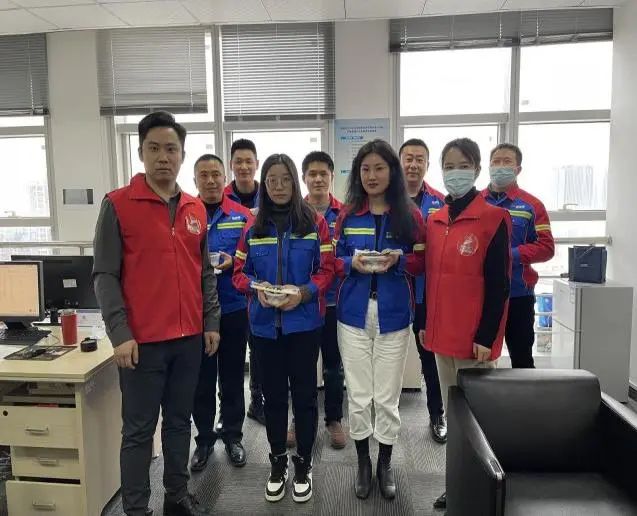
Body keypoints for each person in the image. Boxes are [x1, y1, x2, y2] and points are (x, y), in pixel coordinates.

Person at [93, 111, 220, 516]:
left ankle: (176, 496)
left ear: (182, 155)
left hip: (188, 339)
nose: (163, 157)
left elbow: (204, 272)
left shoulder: (195, 208)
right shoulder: (118, 204)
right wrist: (120, 333)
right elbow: (105, 275)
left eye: (171, 149)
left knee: (180, 422)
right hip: (141, 343)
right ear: (141, 153)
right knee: (139, 432)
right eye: (154, 149)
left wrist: (211, 321)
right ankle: (136, 509)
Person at [232, 153, 334, 503]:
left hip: (304, 325)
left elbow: (328, 270)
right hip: (263, 328)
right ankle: (277, 462)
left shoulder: (314, 223)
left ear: (294, 181)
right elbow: (238, 273)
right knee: (273, 398)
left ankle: (303, 462)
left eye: (285, 179)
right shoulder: (252, 225)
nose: (278, 186)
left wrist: (304, 293)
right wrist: (255, 289)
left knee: (305, 398)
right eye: (271, 180)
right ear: (265, 184)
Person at [422, 138, 511, 511]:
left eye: (462, 165)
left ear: (476, 169)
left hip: (474, 340)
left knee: (479, 420)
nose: (454, 173)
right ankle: (455, 484)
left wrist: (487, 336)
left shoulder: (493, 218)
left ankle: (484, 489)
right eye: (448, 166)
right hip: (441, 335)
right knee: (454, 417)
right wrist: (425, 324)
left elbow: (499, 284)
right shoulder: (435, 219)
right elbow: (429, 278)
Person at [334, 139, 426, 500]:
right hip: (352, 315)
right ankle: (362, 461)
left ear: (393, 172)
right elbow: (332, 260)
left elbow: (422, 261)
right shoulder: (347, 215)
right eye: (365, 169)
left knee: (387, 397)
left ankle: (385, 462)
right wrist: (350, 263)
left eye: (379, 168)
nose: (371, 176)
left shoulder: (410, 215)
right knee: (359, 395)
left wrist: (399, 260)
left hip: (394, 314)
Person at [190, 154, 254, 472]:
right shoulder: (186, 215)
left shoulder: (243, 216)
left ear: (224, 177)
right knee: (201, 380)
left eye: (216, 174)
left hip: (233, 306)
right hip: (196, 312)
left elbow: (255, 257)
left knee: (231, 377)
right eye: (204, 175)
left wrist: (235, 262)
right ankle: (203, 439)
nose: (211, 180)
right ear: (195, 180)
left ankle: (233, 436)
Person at [286, 151, 346, 450]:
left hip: (335, 303)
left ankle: (334, 418)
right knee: (302, 367)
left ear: (332, 177)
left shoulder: (345, 214)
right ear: (304, 178)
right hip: (303, 303)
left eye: (324, 173)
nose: (318, 179)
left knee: (333, 367)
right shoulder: (293, 214)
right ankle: (299, 419)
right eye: (312, 174)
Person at [484, 143, 555, 368]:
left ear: (518, 169)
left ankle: (526, 393)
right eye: (496, 162)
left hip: (518, 295)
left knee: (522, 359)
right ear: (488, 166)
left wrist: (509, 255)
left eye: (507, 162)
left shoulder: (532, 205)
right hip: (482, 294)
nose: (500, 166)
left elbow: (546, 247)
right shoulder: (476, 202)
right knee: (479, 358)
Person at [398, 138, 447, 444]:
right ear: (399, 163)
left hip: (426, 293)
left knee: (429, 357)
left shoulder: (441, 203)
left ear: (427, 165)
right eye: (408, 158)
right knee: (383, 356)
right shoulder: (385, 201)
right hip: (391, 291)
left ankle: (437, 414)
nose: (413, 165)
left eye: (420, 159)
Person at [224, 138, 265, 427]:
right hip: (231, 292)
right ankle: (229, 414)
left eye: (248, 161)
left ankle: (257, 401)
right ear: (231, 165)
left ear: (256, 164)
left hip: (263, 288)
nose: (243, 166)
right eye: (238, 161)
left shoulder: (270, 194)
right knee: (232, 358)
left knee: (260, 351)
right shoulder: (221, 197)